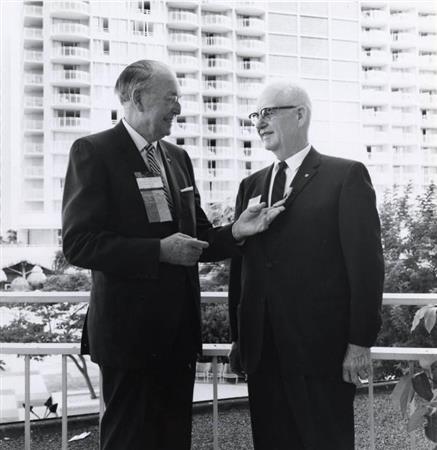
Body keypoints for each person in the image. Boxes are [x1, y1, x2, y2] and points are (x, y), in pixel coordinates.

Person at [62, 60, 284, 450]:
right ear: (137, 98)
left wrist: (237, 231)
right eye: (171, 98)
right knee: (128, 441)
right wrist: (158, 251)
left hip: (178, 338)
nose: (178, 108)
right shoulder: (93, 152)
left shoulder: (177, 158)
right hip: (128, 341)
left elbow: (198, 237)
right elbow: (79, 243)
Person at [228, 81, 384, 450]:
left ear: (300, 115)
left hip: (322, 355)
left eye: (268, 113)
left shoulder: (345, 176)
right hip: (262, 353)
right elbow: (241, 269)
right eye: (256, 115)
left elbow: (366, 267)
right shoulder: (251, 185)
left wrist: (360, 342)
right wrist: (239, 338)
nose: (259, 123)